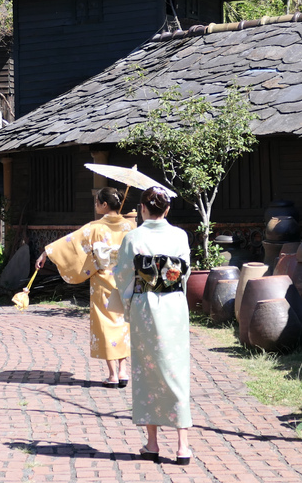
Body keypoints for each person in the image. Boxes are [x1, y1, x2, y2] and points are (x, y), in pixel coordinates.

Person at [111, 185, 192, 466]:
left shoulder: (133, 237)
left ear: (143, 209)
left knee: (147, 372)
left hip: (146, 306)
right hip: (174, 305)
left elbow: (122, 274)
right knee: (176, 370)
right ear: (167, 209)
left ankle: (153, 443)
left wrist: (127, 302)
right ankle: (183, 447)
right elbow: (185, 272)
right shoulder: (179, 235)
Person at [35, 186, 135, 387]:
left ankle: (112, 374)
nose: (96, 205)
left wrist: (47, 253)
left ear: (105, 205)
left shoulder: (95, 227)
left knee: (106, 324)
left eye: (97, 202)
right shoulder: (130, 227)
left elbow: (70, 243)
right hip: (125, 280)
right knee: (124, 324)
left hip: (102, 280)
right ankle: (124, 372)